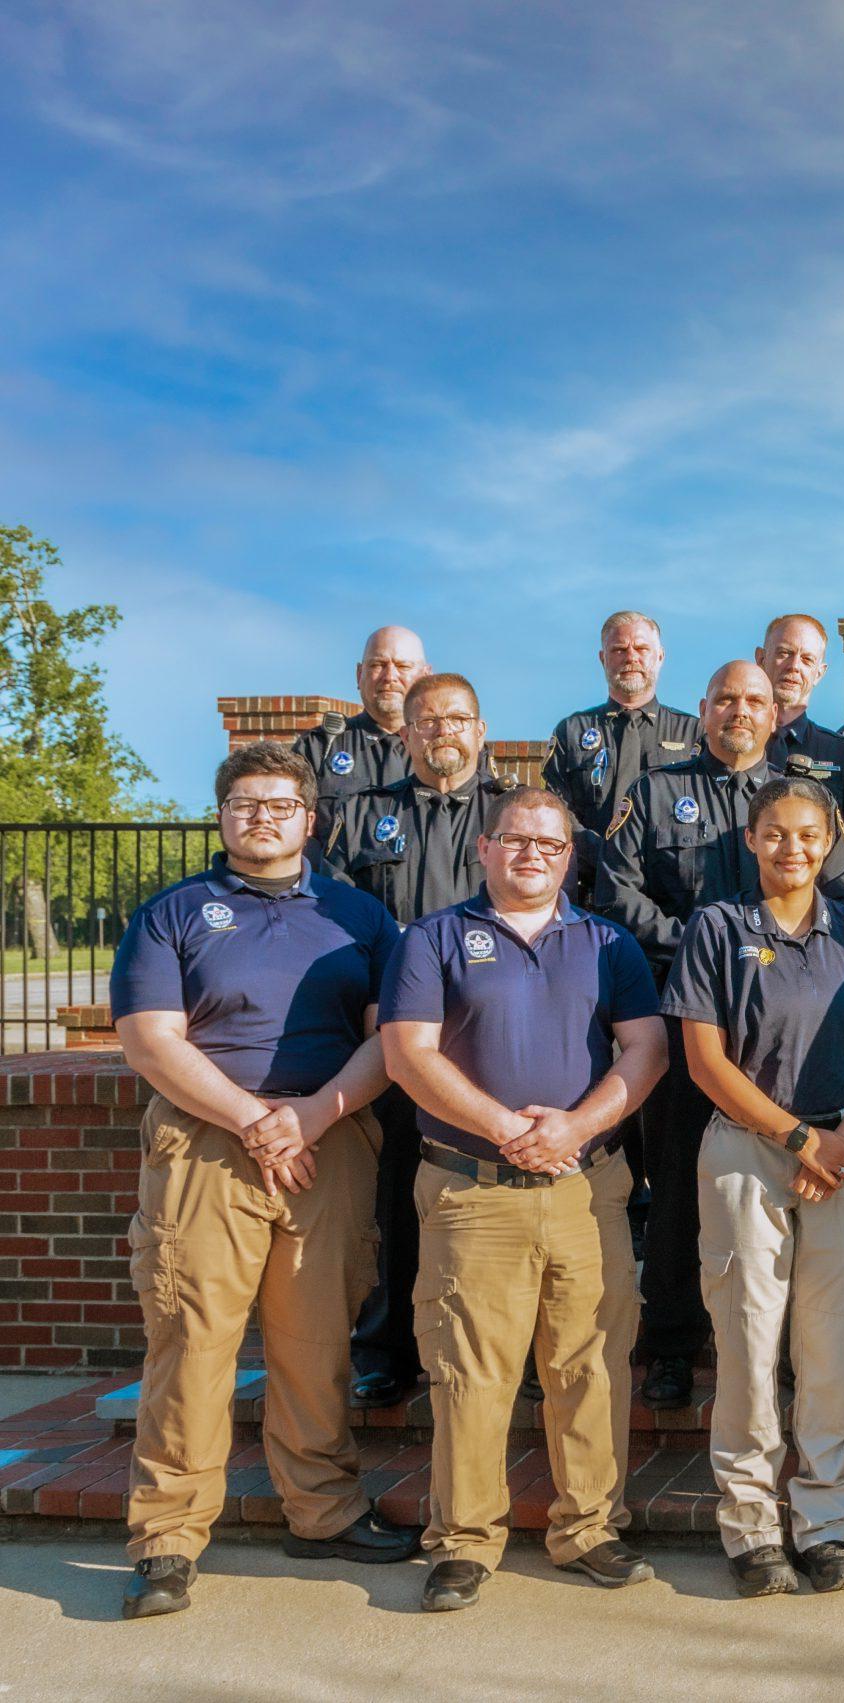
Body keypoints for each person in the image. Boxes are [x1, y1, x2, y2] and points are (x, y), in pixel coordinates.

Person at [108, 742, 417, 1621]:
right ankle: (167, 1535)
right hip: (206, 1142)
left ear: (310, 817)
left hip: (328, 1142)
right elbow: (151, 1038)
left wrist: (314, 1113)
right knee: (192, 1337)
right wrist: (253, 1118)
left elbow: (389, 1040)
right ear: (222, 815)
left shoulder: (360, 915)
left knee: (317, 1339)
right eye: (245, 803)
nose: (263, 818)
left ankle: (321, 1509)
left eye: (281, 804)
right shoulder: (171, 913)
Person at [379, 786, 667, 1612]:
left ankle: (590, 1527)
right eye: (516, 839)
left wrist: (574, 1126)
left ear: (569, 856)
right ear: (484, 848)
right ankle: (465, 1539)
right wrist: (512, 1128)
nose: (532, 853)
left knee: (591, 1364)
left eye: (549, 842)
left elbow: (645, 1050)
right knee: (471, 1369)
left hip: (587, 1187)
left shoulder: (608, 943)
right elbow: (408, 1054)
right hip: (476, 1190)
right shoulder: (433, 939)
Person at [590, 660, 844, 1410]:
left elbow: (840, 902)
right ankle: (673, 1346)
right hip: (688, 1023)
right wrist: (704, 945)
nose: (739, 711)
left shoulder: (807, 801)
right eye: (725, 700)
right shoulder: (652, 793)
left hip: (785, 1030)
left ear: (777, 714)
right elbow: (615, 893)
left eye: (755, 700)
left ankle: (773, 1353)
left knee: (779, 1188)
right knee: (679, 1186)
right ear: (702, 710)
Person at [662, 776, 844, 1597]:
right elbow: (704, 1060)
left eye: (808, 834)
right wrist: (797, 1138)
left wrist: (843, 1140)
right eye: (775, 834)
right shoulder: (717, 927)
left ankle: (825, 1524)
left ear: (830, 838)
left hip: (842, 1151)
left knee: (829, 1347)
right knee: (748, 1344)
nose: (792, 848)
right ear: (751, 838)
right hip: (748, 1154)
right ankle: (754, 1529)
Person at [322, 671, 510, 1409]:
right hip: (399, 1042)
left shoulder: (514, 812)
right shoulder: (361, 817)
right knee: (396, 1202)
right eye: (426, 722)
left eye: (457, 719)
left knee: (499, 1203)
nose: (443, 732)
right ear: (404, 735)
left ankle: (510, 1351)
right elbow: (332, 923)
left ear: (480, 727)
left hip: (494, 1041)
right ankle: (387, 1352)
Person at [541, 610, 701, 845]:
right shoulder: (571, 732)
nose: (631, 657)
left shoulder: (693, 733)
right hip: (591, 873)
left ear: (660, 657)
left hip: (668, 875)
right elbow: (556, 808)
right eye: (619, 649)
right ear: (603, 658)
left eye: (641, 648)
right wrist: (600, 856)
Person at [758, 612, 844, 878]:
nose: (794, 666)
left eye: (807, 659)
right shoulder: (730, 746)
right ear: (761, 658)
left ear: (820, 672)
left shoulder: (842, 754)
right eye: (784, 653)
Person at [293, 624, 431, 842]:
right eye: (378, 664)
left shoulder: (446, 749)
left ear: (426, 677)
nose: (389, 676)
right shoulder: (318, 748)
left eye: (403, 666)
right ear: (359, 674)